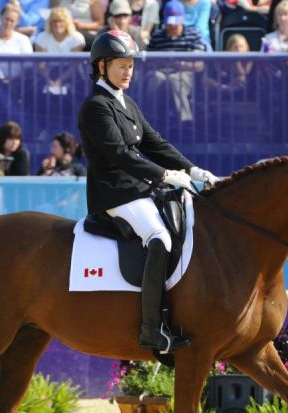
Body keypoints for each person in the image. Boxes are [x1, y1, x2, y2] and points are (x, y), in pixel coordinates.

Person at [77, 30, 220, 353]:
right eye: (121, 65)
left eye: (131, 65)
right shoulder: (96, 107)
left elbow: (155, 144)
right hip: (115, 195)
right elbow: (120, 155)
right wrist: (166, 175)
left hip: (141, 189)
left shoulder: (126, 102)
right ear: (102, 67)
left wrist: (191, 169)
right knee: (161, 239)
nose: (128, 71)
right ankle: (151, 328)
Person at [0, 3, 34, 80]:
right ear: (0, 17)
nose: (8, 23)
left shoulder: (24, 40)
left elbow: (28, 65)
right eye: (7, 19)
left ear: (17, 22)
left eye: (12, 21)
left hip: (20, 83)